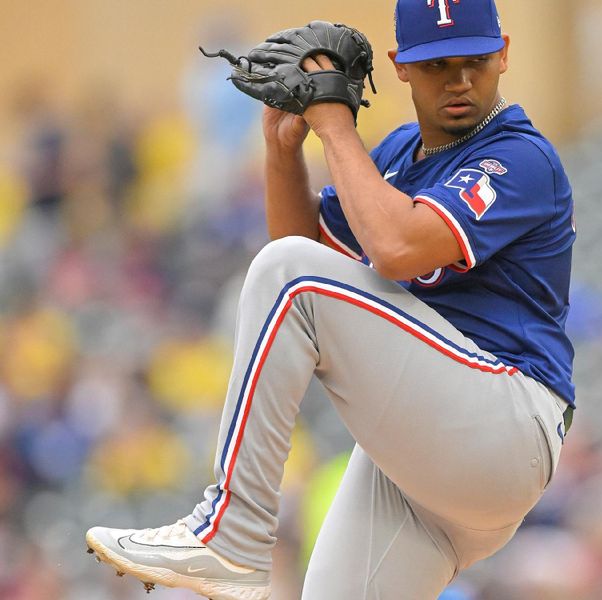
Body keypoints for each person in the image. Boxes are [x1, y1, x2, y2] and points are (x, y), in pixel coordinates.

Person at [85, 1, 577, 598]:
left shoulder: (521, 157)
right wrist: (283, 147)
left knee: (288, 274)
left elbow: (388, 251)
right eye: (436, 64)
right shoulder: (396, 155)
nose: (459, 79)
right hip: (424, 468)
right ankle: (234, 538)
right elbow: (305, 254)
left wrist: (335, 124)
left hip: (503, 426)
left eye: (475, 60)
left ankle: (234, 532)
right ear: (399, 66)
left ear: (503, 52)